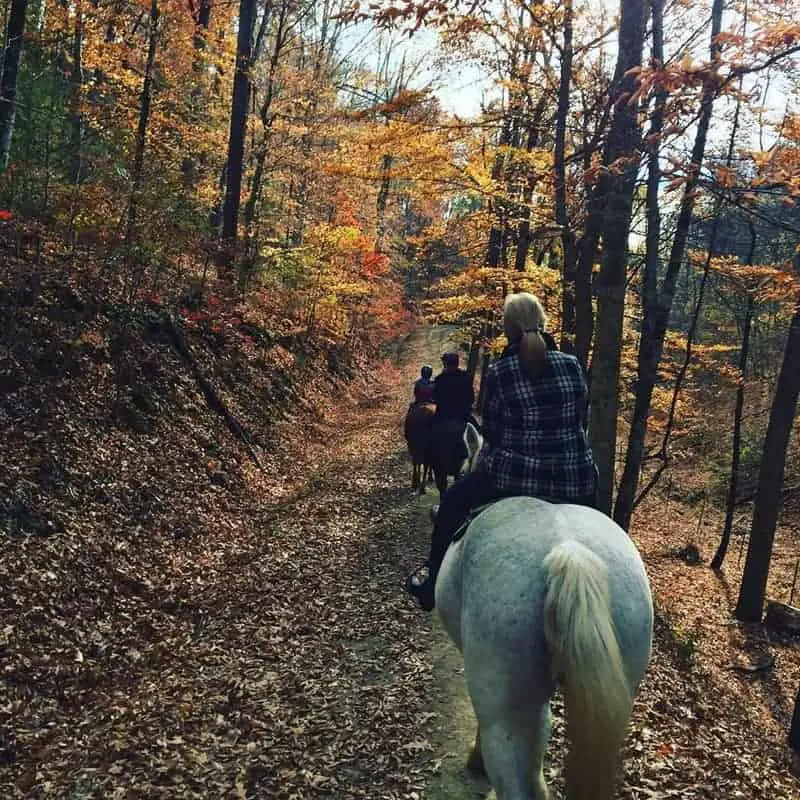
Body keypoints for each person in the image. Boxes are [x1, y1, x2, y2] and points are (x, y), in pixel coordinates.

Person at [406, 292, 597, 611]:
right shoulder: (572, 364)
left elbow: (492, 432)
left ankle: (431, 581)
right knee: (599, 512)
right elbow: (581, 419)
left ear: (508, 330)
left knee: (451, 502)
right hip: (574, 479)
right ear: (543, 322)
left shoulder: (501, 370)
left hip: (511, 479)